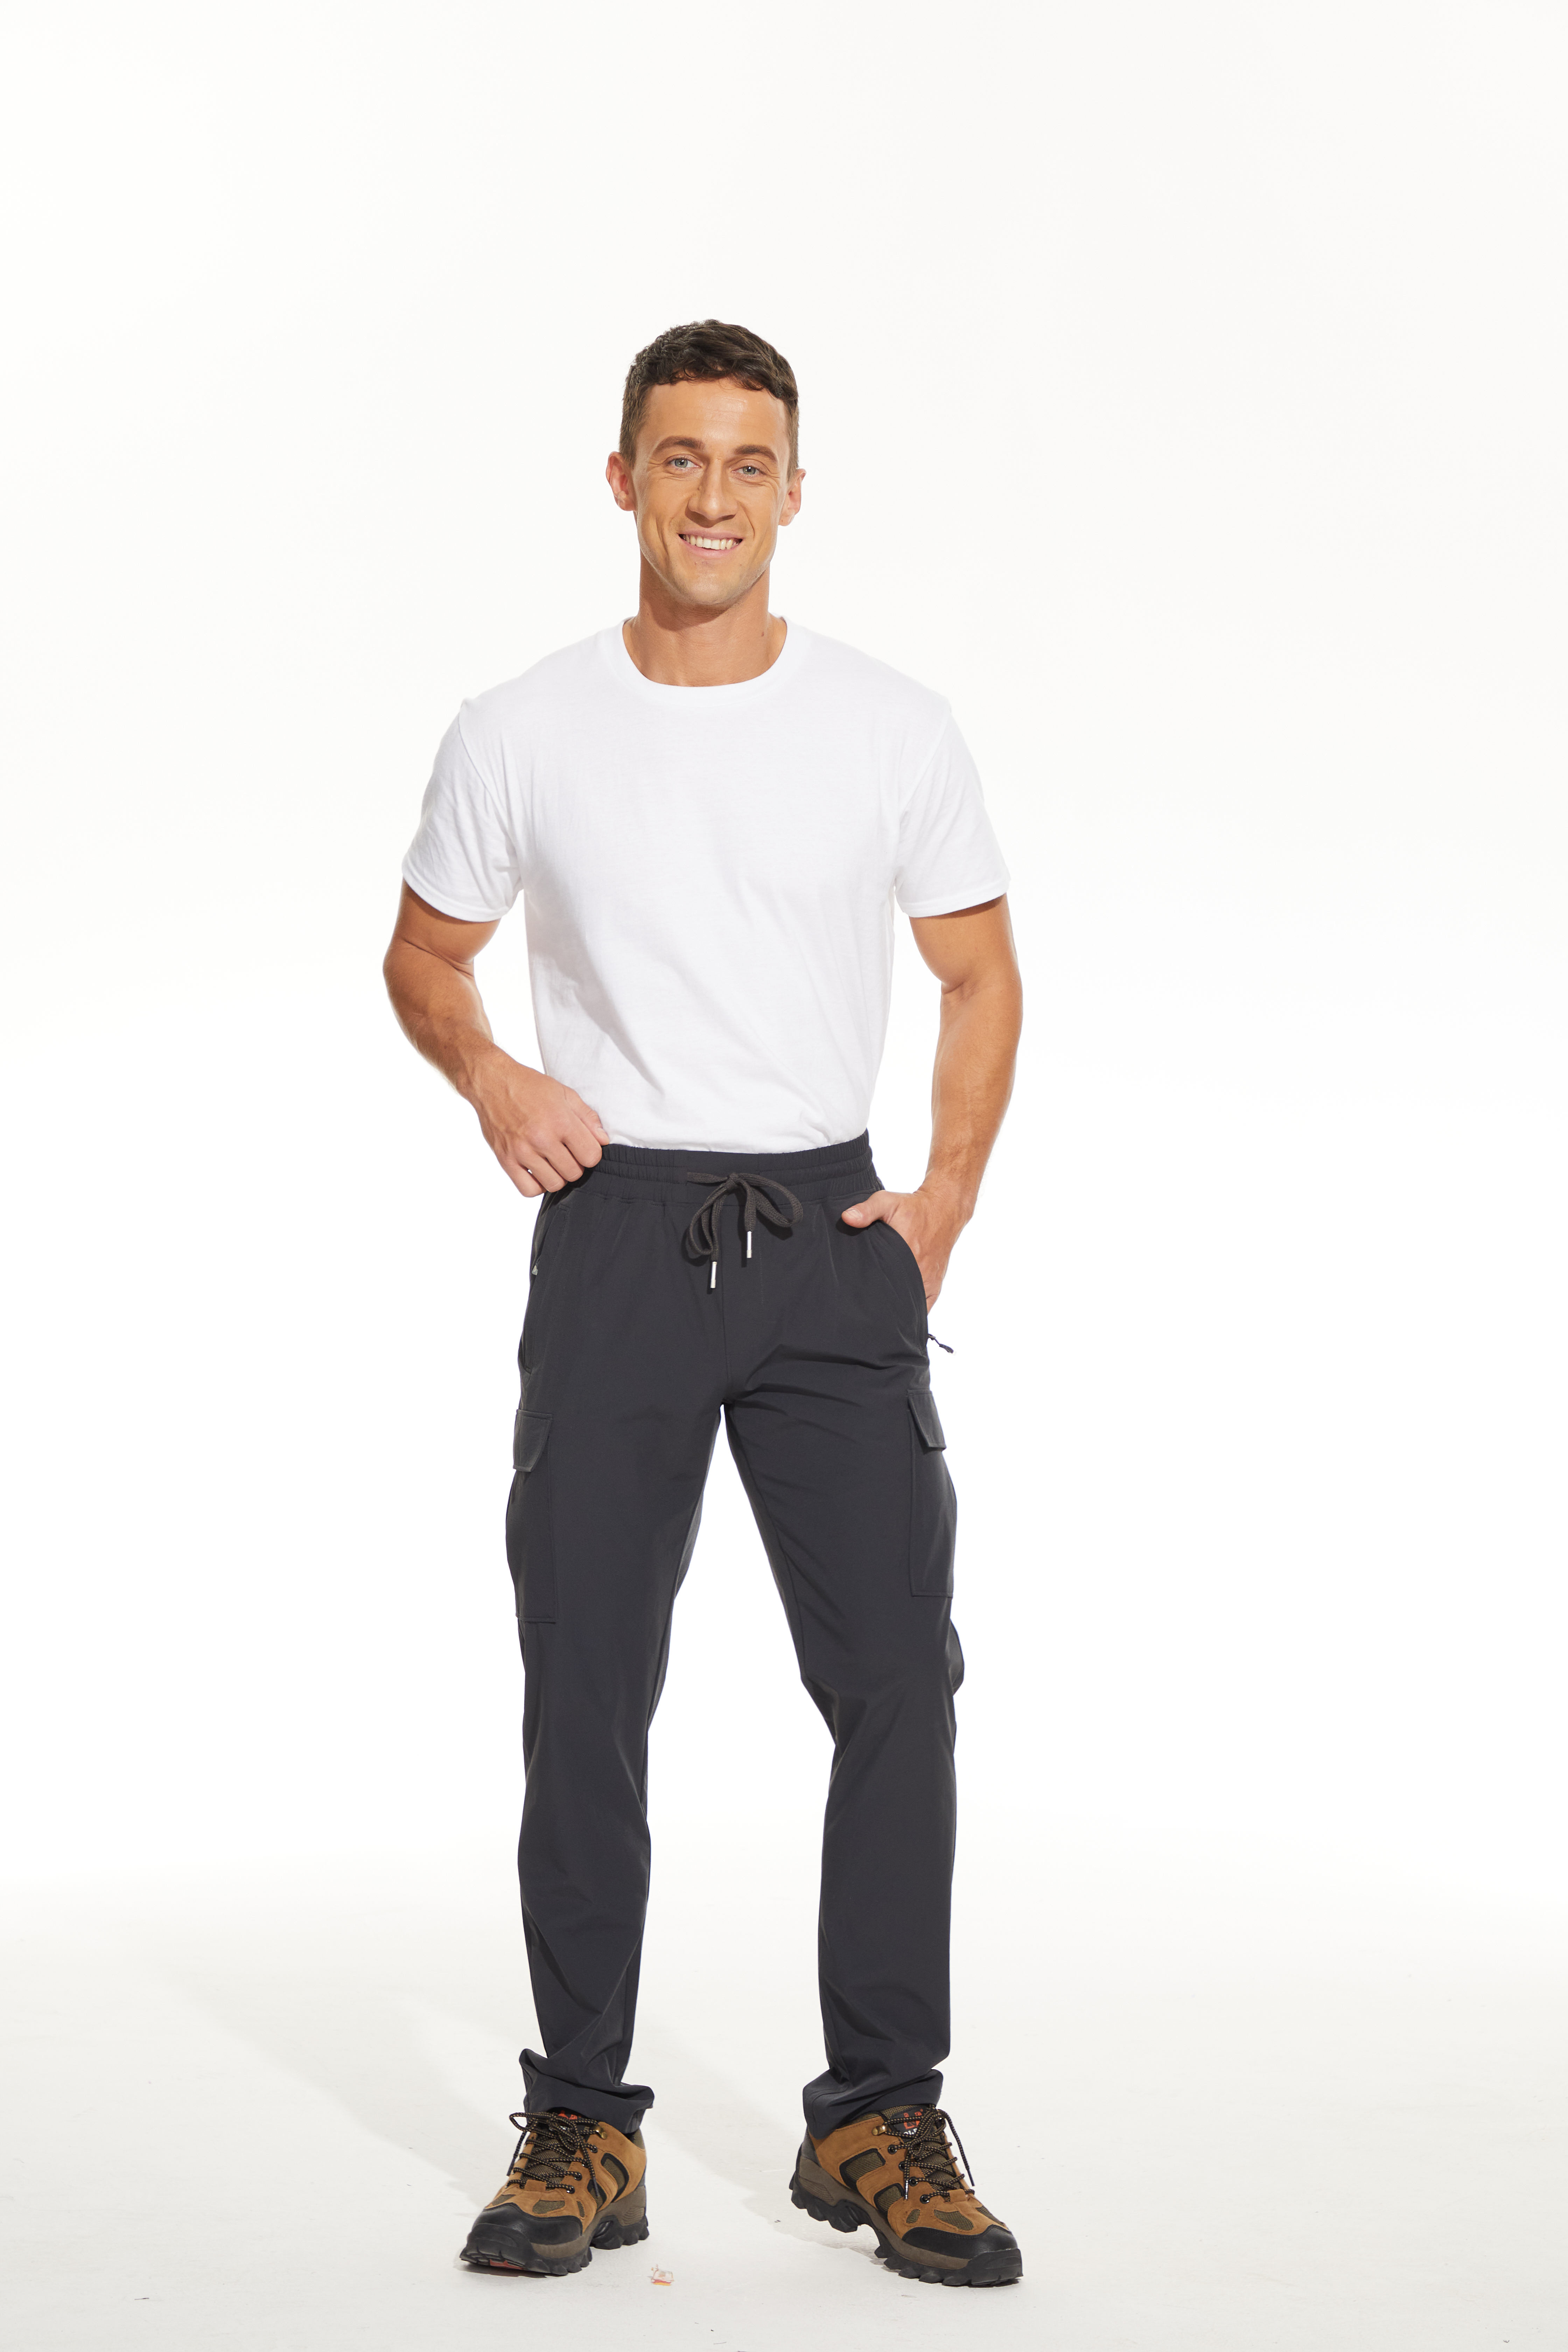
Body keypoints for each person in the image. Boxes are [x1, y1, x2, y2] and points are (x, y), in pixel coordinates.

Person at [383, 319, 1024, 2289]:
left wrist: (940, 1204)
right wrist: (496, 1078)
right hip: (617, 1234)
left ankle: (878, 2112)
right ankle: (583, 2115)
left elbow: (981, 975)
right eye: (680, 458)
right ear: (623, 480)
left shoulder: (891, 725)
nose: (715, 495)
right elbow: (423, 955)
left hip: (831, 1235)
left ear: (796, 493)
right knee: (585, 1679)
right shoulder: (522, 726)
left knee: (896, 1677)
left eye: (751, 462)